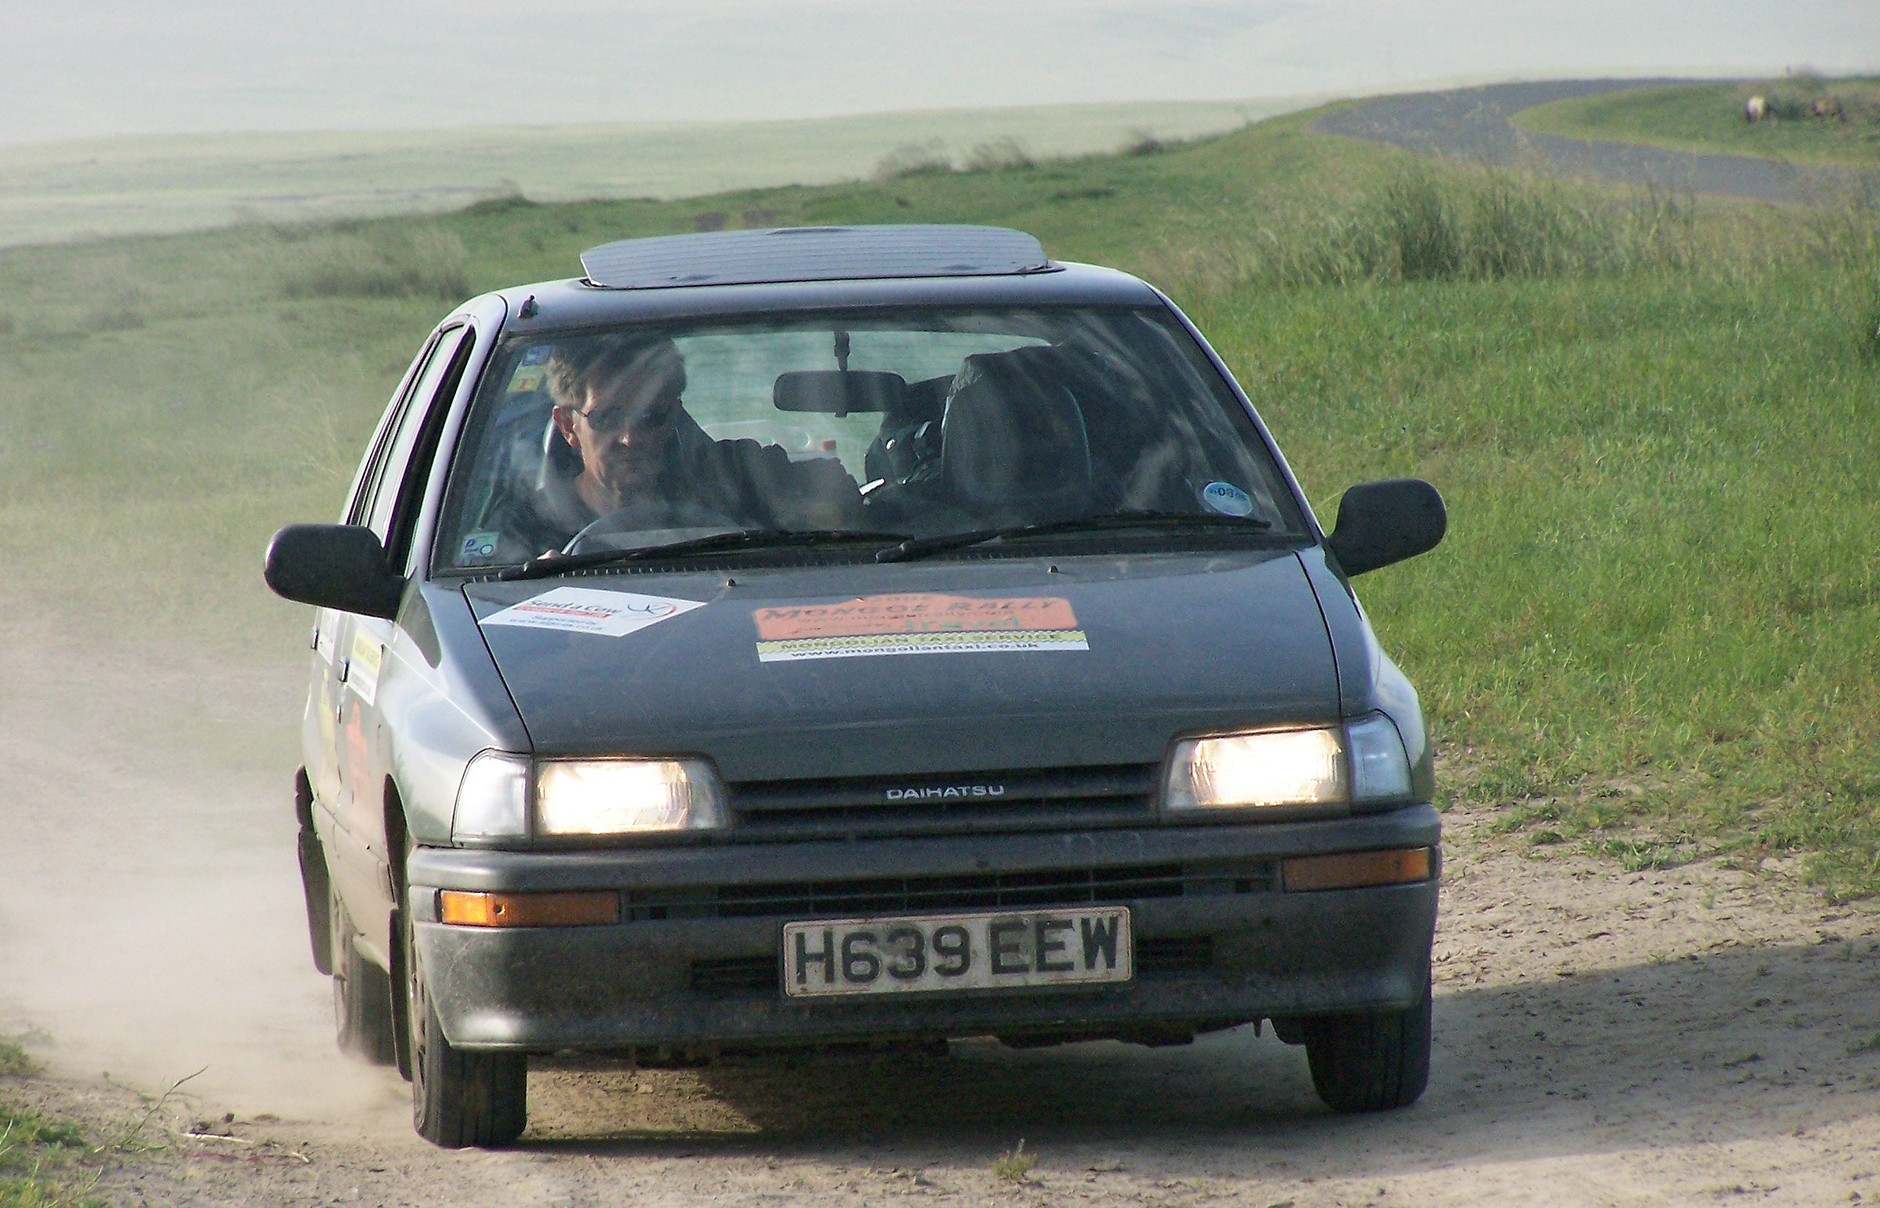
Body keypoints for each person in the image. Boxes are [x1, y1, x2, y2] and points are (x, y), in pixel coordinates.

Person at [503, 332, 859, 556]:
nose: (630, 438)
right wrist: (538, 584)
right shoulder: (527, 531)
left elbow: (847, 509)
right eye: (608, 419)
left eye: (650, 417)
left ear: (674, 415)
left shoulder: (734, 480)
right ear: (568, 425)